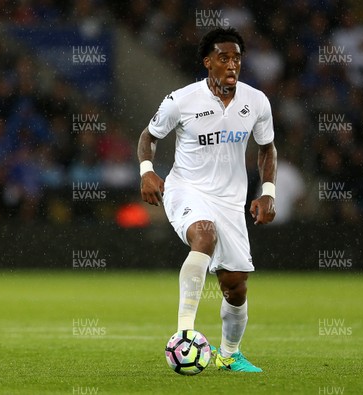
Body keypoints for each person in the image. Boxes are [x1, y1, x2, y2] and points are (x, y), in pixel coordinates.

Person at [137, 27, 277, 372]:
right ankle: (185, 332)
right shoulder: (181, 100)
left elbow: (267, 149)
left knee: (235, 286)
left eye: (237, 58)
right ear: (208, 62)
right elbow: (149, 136)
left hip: (230, 200)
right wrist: (146, 171)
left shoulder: (256, 101)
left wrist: (268, 193)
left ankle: (229, 355)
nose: (232, 65)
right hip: (187, 188)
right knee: (204, 233)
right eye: (224, 58)